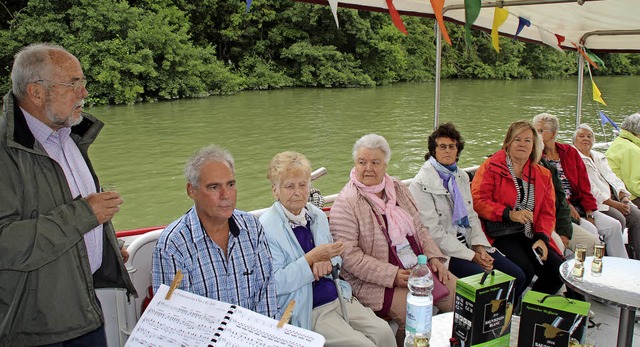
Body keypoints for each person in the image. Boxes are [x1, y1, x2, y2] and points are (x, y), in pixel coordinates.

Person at [0, 43, 136, 346]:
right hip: (33, 327)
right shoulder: (5, 151)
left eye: (83, 83)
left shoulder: (69, 136)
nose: (84, 93)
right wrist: (85, 214)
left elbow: (73, 212)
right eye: (73, 84)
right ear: (37, 92)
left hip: (83, 310)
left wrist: (107, 245)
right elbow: (5, 241)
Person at [329, 133, 456, 346]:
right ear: (355, 164)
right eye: (362, 162)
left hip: (416, 266)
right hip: (373, 281)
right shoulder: (346, 203)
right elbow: (349, 257)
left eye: (375, 162)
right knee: (414, 316)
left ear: (385, 164)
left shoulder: (396, 187)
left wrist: (434, 257)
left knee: (460, 299)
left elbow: (419, 228)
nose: (368, 168)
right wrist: (393, 275)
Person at [260, 151, 396, 347]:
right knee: (363, 345)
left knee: (384, 333)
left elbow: (336, 258)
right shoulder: (266, 228)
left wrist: (328, 260)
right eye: (289, 186)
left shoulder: (316, 216)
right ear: (275, 190)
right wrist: (311, 260)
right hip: (305, 306)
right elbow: (275, 284)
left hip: (338, 294)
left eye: (303, 185)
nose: (298, 192)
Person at [152, 145, 278, 318]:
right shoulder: (174, 245)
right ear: (192, 191)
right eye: (214, 187)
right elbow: (176, 318)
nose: (225, 194)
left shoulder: (252, 228)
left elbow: (266, 296)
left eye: (231, 184)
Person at [408, 123, 527, 300]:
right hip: (446, 252)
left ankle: (501, 318)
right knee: (486, 283)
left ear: (458, 150)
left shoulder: (460, 176)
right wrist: (472, 256)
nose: (447, 151)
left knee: (518, 276)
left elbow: (471, 216)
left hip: (469, 243)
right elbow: (434, 233)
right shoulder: (420, 185)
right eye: (442, 147)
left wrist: (479, 246)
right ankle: (485, 321)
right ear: (434, 151)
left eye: (452, 146)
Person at [471, 120, 564, 294]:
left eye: (527, 140)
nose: (522, 144)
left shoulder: (542, 174)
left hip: (529, 233)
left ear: (534, 144)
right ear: (508, 143)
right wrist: (508, 214)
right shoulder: (491, 167)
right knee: (524, 269)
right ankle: (509, 311)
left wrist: (542, 238)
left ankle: (531, 310)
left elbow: (547, 211)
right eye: (517, 139)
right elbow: (477, 200)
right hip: (499, 232)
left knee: (557, 270)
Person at [533, 113, 627, 258]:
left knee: (614, 225)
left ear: (553, 133)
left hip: (580, 205)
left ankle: (619, 265)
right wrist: (567, 205)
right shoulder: (537, 157)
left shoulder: (569, 152)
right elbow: (552, 191)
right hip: (561, 207)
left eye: (541, 131)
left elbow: (584, 185)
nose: (536, 135)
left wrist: (590, 212)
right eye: (535, 130)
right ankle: (579, 269)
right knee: (590, 231)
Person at [574, 124, 640, 259]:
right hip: (598, 202)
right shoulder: (575, 157)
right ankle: (610, 257)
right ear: (574, 141)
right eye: (581, 136)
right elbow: (590, 188)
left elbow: (612, 177)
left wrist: (623, 196)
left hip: (613, 198)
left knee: (637, 216)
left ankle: (636, 256)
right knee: (619, 219)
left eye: (589, 136)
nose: (586, 139)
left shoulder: (598, 156)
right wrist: (614, 204)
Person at [606, 113, 640, 209]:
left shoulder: (620, 141)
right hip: (625, 195)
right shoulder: (632, 150)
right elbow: (634, 186)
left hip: (612, 190)